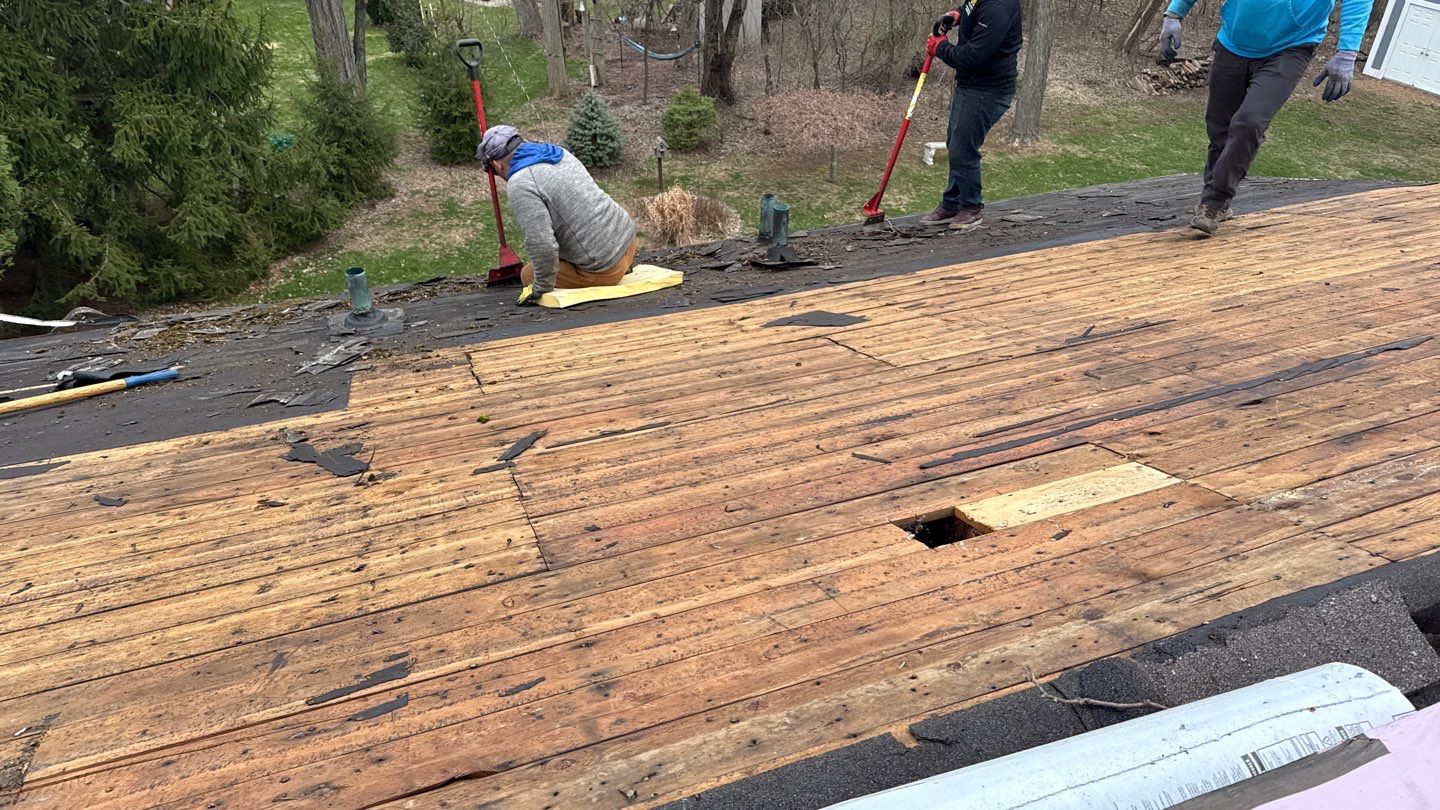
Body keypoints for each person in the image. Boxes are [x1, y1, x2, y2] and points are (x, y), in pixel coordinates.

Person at [1160, 0, 1372, 236]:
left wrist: (1347, 51)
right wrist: (1175, 13)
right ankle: (1219, 199)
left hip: (1291, 46)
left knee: (1249, 122)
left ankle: (1214, 202)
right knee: (1219, 128)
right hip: (1234, 40)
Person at [478, 125, 639, 306]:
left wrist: (541, 289)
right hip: (628, 240)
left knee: (527, 273)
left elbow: (543, 245)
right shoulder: (557, 152)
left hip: (605, 269)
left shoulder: (521, 184)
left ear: (498, 164)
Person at [919, 0, 1024, 231]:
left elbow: (972, 56)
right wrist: (957, 15)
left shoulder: (999, 6)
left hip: (988, 90)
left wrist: (940, 48)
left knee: (963, 149)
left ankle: (971, 208)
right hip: (970, 85)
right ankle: (952, 203)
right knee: (955, 144)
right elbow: (972, 9)